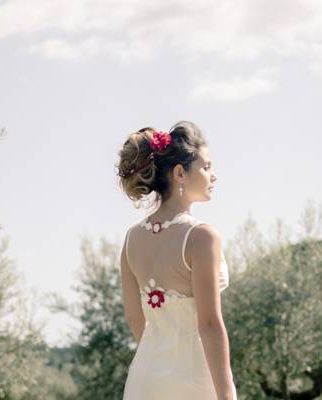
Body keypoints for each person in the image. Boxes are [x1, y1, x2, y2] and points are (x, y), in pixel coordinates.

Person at [116, 121, 238, 400]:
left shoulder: (131, 239)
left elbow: (135, 318)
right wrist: (227, 392)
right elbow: (209, 323)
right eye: (206, 167)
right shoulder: (202, 237)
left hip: (145, 379)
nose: (214, 176)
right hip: (194, 380)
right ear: (180, 173)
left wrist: (161, 357)